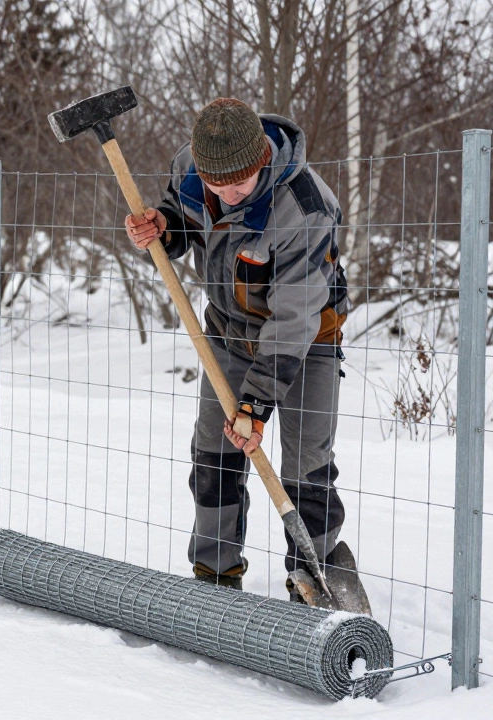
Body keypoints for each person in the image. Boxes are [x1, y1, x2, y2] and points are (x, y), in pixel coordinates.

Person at [125, 98, 354, 598]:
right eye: (217, 186)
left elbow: (294, 316)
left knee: (305, 468)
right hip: (229, 333)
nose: (229, 195)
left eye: (242, 185)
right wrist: (162, 228)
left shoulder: (305, 207)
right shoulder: (192, 169)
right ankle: (215, 575)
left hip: (307, 340)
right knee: (214, 456)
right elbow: (183, 220)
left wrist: (255, 403)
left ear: (263, 162)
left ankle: (312, 583)